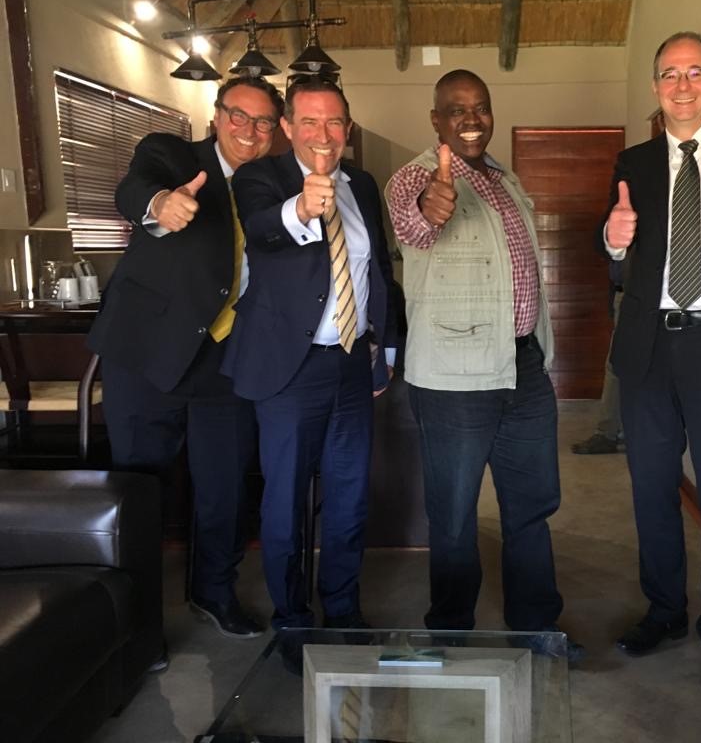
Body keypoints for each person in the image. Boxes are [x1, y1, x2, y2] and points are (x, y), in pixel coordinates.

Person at [385, 70, 579, 661]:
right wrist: (431, 205)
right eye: (456, 109)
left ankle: (536, 627)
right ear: (436, 120)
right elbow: (414, 222)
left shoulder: (503, 178)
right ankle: (448, 630)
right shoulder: (413, 179)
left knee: (531, 509)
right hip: (454, 380)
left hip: (523, 369)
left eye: (481, 107)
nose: (471, 118)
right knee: (452, 514)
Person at [600, 32, 701, 701]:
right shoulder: (633, 158)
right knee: (650, 492)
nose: (683, 84)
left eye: (694, 72)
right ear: (655, 87)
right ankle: (664, 611)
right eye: (670, 74)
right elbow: (610, 235)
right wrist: (609, 242)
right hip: (647, 349)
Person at [90, 76, 285, 640]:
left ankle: (213, 592)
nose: (250, 130)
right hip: (147, 355)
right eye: (239, 116)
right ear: (217, 116)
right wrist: (159, 205)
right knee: (140, 488)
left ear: (276, 131)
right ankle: (134, 616)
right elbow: (135, 186)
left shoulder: (275, 183)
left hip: (225, 361)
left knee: (223, 489)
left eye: (264, 121)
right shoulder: (172, 155)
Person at [224, 75, 397, 631]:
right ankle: (292, 617)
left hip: (351, 363)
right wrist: (300, 208)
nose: (323, 133)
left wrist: (384, 348)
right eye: (309, 121)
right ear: (287, 128)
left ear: (347, 127)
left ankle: (343, 610)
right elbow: (260, 232)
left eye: (334, 121)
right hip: (289, 370)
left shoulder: (362, 184)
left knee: (349, 499)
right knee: (286, 505)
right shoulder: (260, 177)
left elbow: (377, 271)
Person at [571, 260, 626, 455]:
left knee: (618, 365)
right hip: (625, 291)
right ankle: (614, 432)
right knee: (619, 365)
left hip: (641, 293)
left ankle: (609, 434)